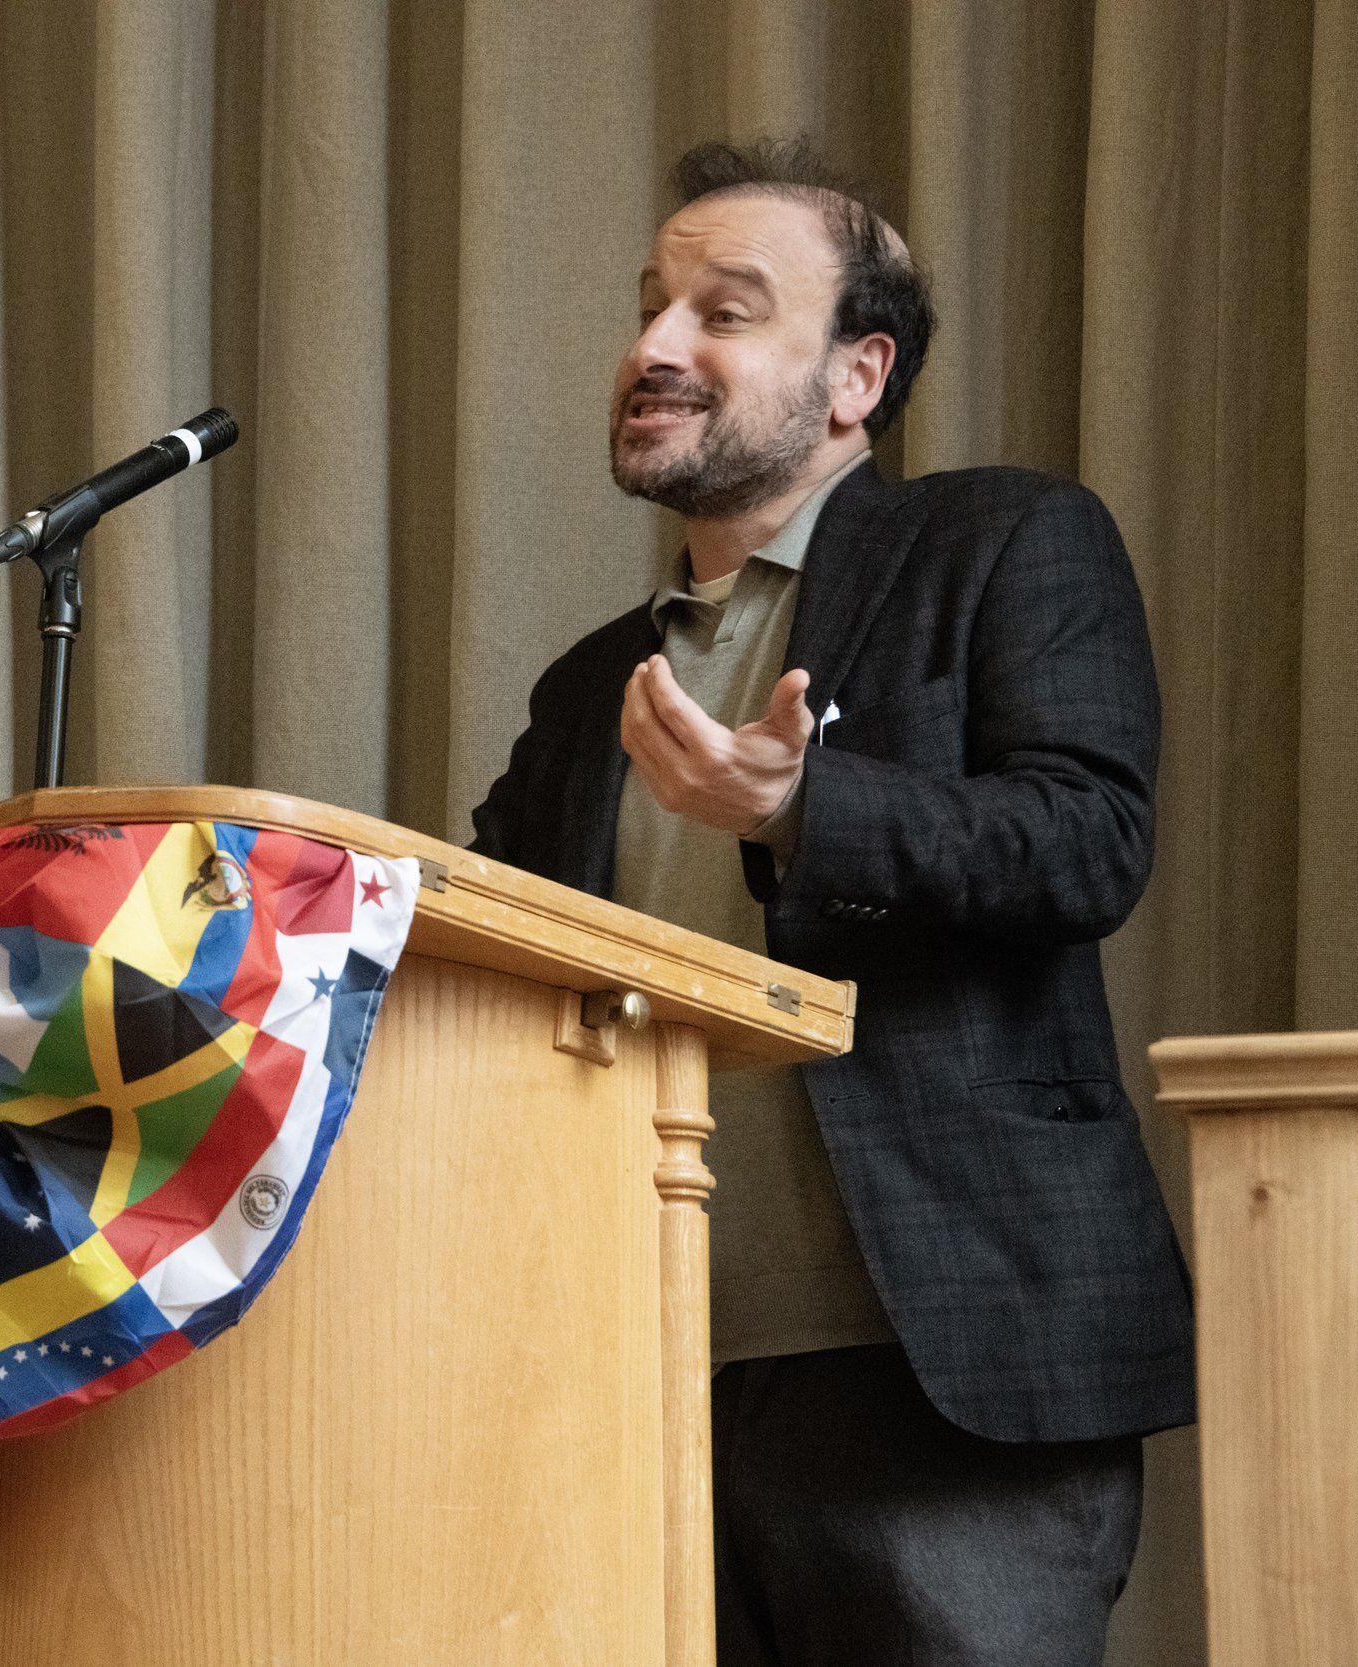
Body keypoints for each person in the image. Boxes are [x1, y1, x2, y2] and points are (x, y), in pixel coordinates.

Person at [469, 138, 1194, 1667]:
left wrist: (806, 810)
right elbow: (495, 957)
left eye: (723, 314)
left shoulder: (1001, 543)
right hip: (638, 1378)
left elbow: (1087, 841)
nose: (656, 348)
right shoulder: (587, 686)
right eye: (651, 308)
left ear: (858, 377)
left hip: (938, 1363)